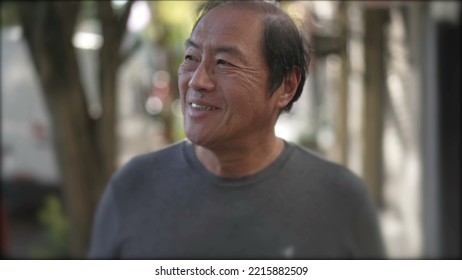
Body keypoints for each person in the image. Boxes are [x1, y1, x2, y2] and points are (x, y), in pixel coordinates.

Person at [88, 0, 385, 259]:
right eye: (191, 58)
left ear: (286, 86)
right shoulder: (132, 188)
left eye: (224, 63)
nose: (196, 81)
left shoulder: (341, 201)